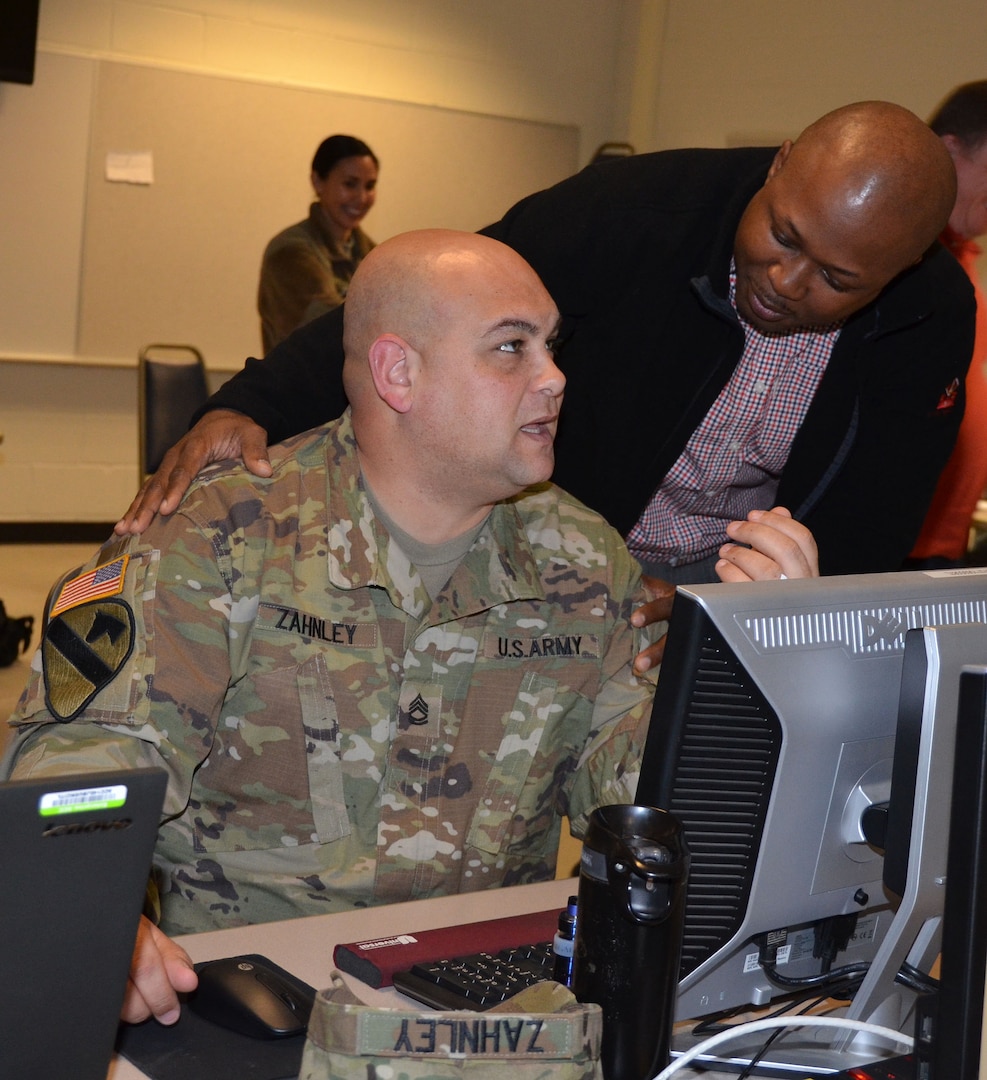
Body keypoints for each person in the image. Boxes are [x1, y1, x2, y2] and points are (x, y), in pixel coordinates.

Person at [3, 229, 669, 1026]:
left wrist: (759, 664)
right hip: (249, 1004)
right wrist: (92, 919)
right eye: (509, 348)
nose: (553, 377)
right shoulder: (215, 536)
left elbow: (652, 800)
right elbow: (80, 762)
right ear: (398, 373)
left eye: (550, 347)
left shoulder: (586, 562)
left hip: (490, 1012)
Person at [116, 101, 972, 668]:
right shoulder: (639, 210)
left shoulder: (928, 318)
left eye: (837, 278)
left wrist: (748, 619)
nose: (787, 280)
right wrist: (249, 402)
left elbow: (870, 519)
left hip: (745, 565)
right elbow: (429, 301)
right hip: (578, 529)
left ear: (898, 274)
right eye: (781, 235)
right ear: (779, 164)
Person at [907, 82, 987, 566]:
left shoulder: (964, 254)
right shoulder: (902, 256)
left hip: (944, 541)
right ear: (949, 150)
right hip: (897, 545)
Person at [258, 134, 379, 354]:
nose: (362, 198)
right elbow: (327, 330)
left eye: (370, 186)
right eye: (350, 184)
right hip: (297, 386)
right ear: (317, 181)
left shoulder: (373, 253)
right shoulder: (290, 252)